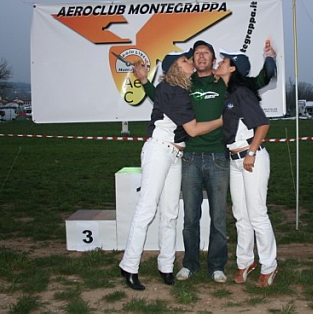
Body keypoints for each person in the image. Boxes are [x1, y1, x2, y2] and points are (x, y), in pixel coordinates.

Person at [134, 39, 276, 283]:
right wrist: (145, 81)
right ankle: (189, 264)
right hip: (190, 157)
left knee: (219, 217)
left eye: (206, 53)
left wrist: (270, 58)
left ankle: (217, 266)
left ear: (213, 59)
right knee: (190, 217)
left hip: (220, 157)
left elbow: (262, 79)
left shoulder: (226, 83)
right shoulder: (185, 82)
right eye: (197, 53)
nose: (200, 56)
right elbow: (161, 97)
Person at [118, 51, 222, 291]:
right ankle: (129, 266)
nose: (191, 62)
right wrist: (222, 120)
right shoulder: (172, 90)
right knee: (146, 210)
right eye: (185, 60)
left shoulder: (176, 89)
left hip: (174, 155)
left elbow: (157, 96)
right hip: (158, 151)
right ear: (174, 68)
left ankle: (165, 266)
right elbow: (193, 130)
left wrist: (143, 79)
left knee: (170, 213)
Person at [214, 50, 278, 287]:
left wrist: (250, 153)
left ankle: (269, 265)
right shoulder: (229, 94)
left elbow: (262, 124)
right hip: (235, 161)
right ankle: (245, 262)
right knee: (240, 215)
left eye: (224, 61)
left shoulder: (241, 92)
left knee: (257, 214)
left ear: (233, 69)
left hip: (252, 159)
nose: (219, 63)